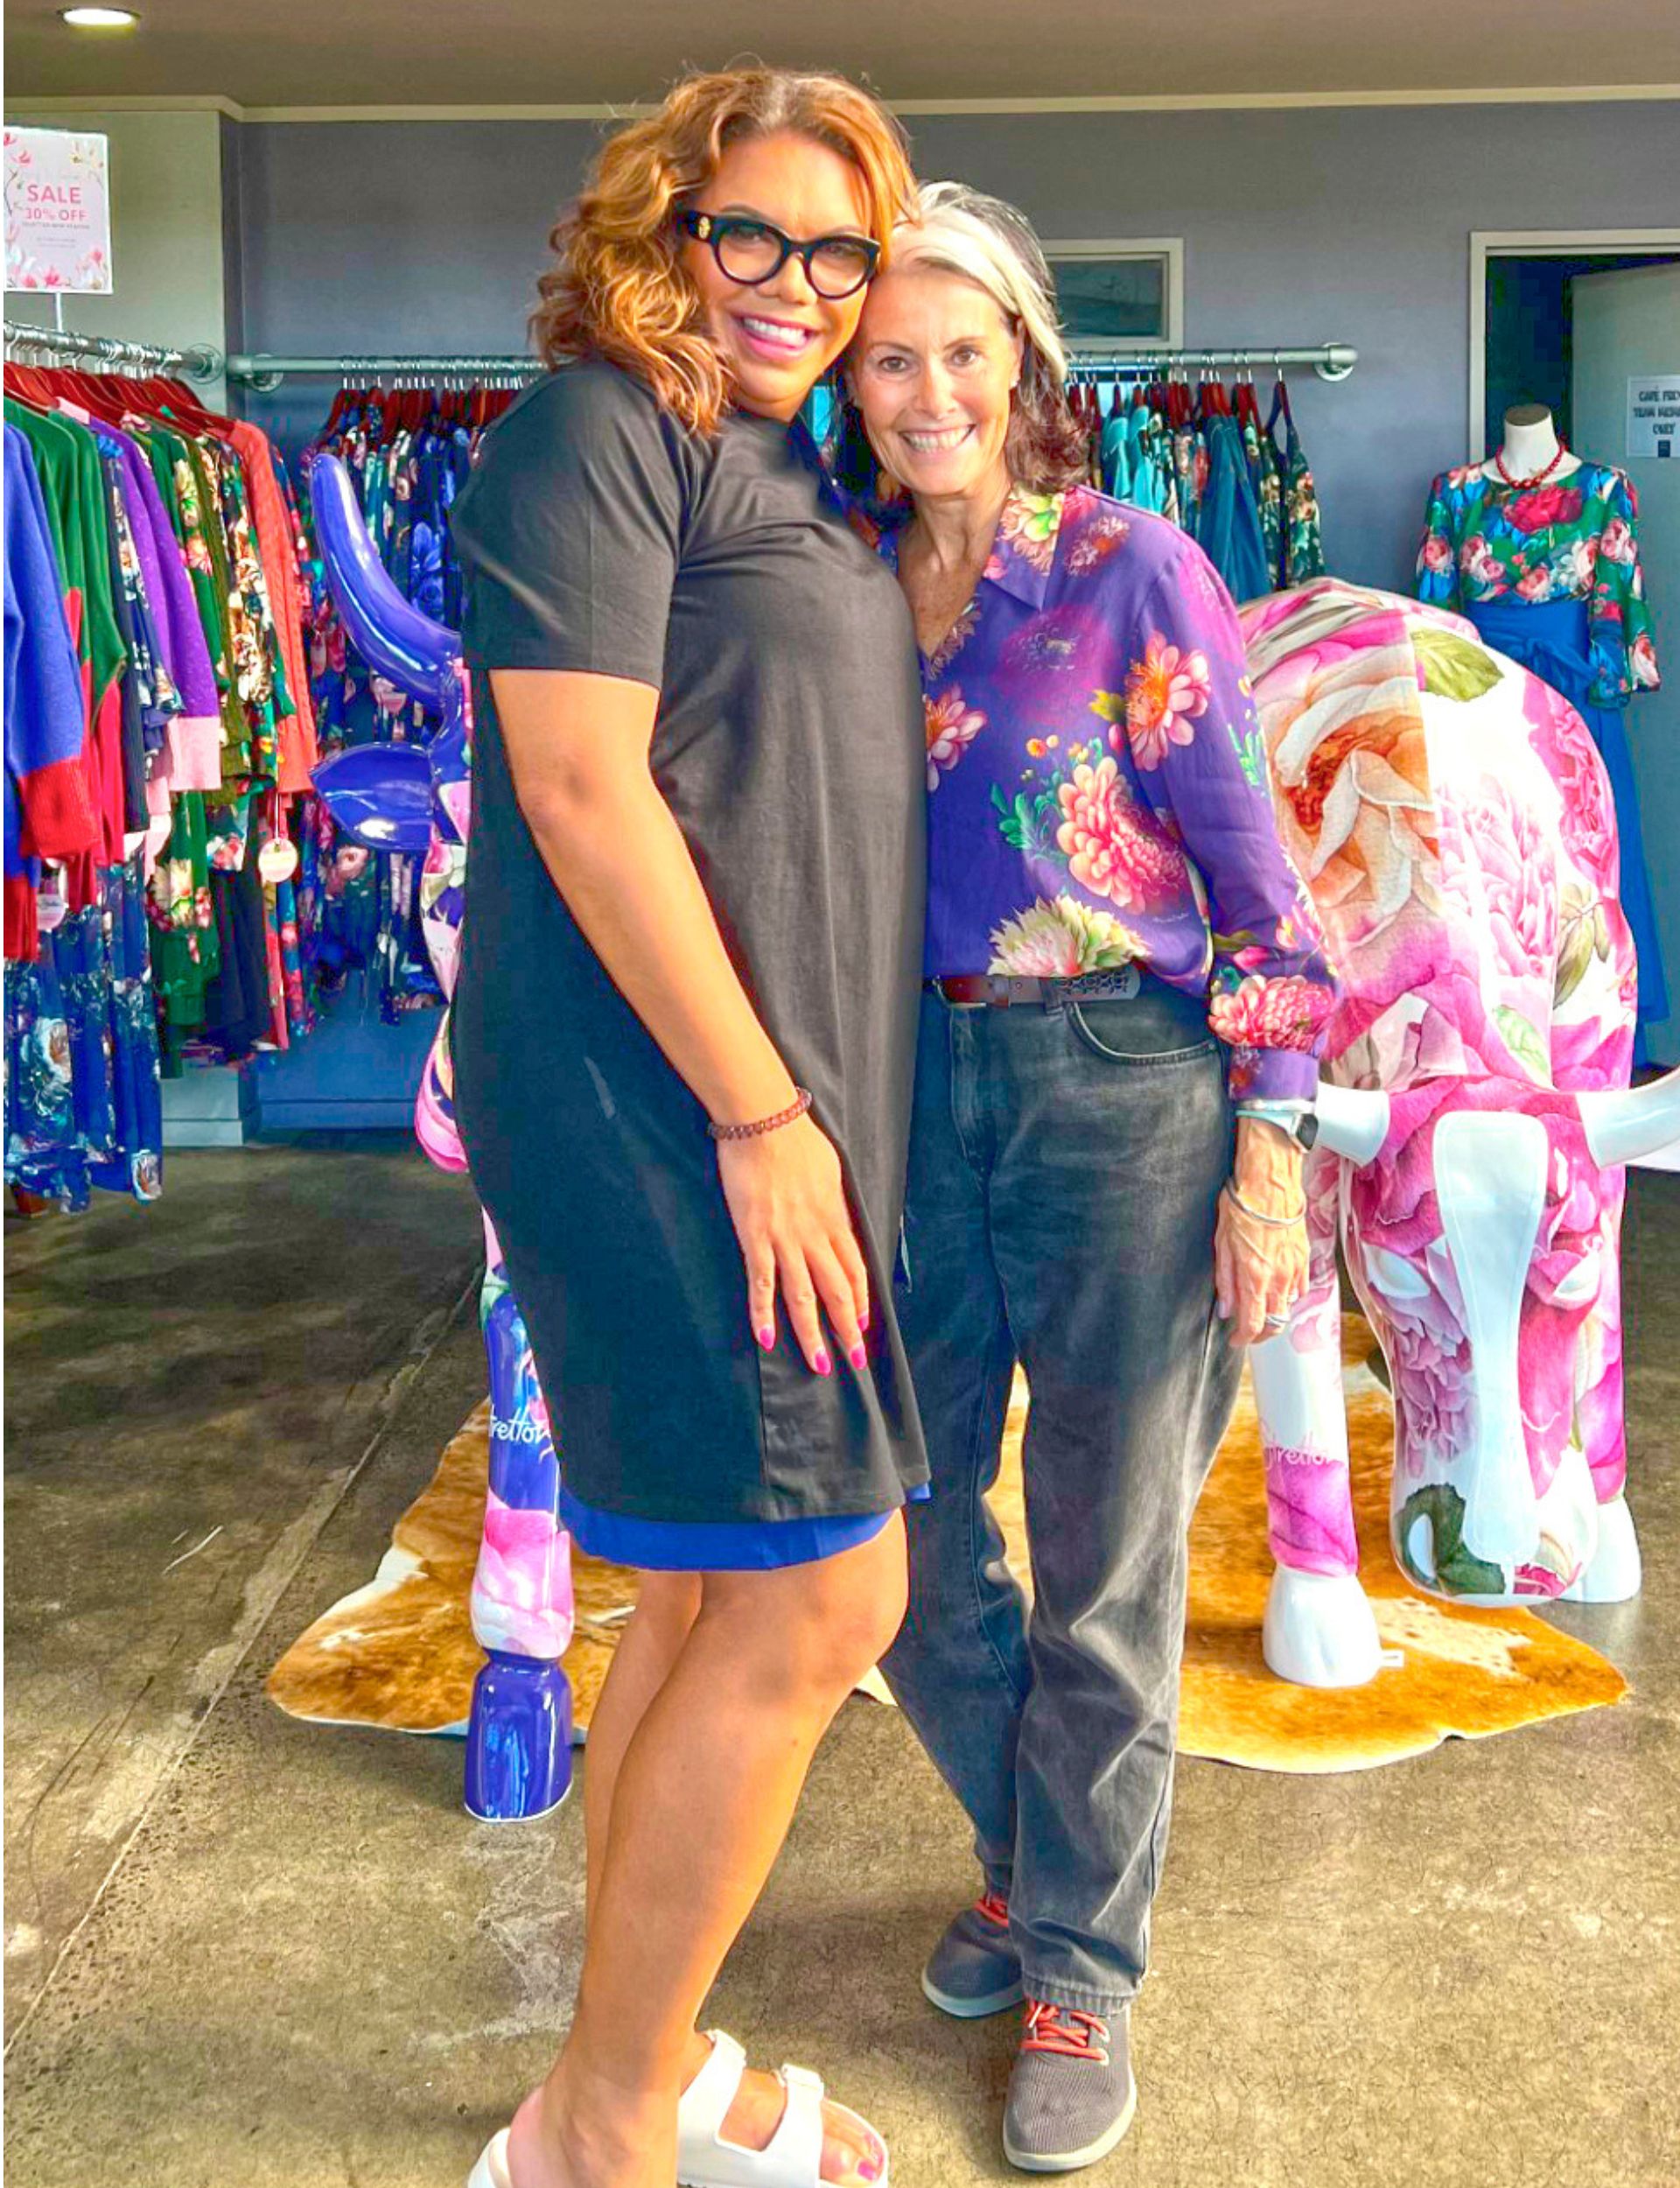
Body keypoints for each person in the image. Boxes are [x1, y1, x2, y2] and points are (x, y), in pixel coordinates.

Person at [452, 69, 928, 2188]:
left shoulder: (769, 456)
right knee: (829, 1602)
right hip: (672, 1111)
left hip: (767, 1101)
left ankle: (609, 2073)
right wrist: (755, 1111)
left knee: (714, 1606)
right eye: (755, 234)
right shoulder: (594, 428)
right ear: (668, 221)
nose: (798, 288)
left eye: (840, 251)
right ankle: (609, 2135)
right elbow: (575, 788)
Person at [842, 183, 1340, 2174]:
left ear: (1028, 364)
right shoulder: (831, 573)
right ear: (852, 386)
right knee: (890, 1522)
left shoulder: (1136, 569)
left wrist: (1276, 1147)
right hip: (895, 1087)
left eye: (967, 351)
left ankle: (1075, 1965)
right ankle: (1037, 1846)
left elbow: (1259, 892)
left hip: (1127, 1086)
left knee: (1112, 1557)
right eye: (894, 356)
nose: (932, 388)